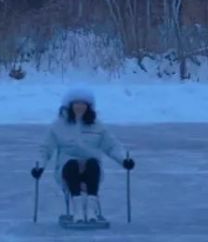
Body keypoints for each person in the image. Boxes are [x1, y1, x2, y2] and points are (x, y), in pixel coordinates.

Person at [32, 88, 134, 223]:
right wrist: (40, 166)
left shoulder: (97, 126)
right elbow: (45, 148)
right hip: (67, 168)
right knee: (72, 165)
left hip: (92, 168)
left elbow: (111, 145)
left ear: (88, 106)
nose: (80, 107)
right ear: (70, 105)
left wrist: (124, 160)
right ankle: (78, 211)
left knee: (92, 164)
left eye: (83, 103)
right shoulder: (58, 125)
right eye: (76, 103)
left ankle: (91, 210)